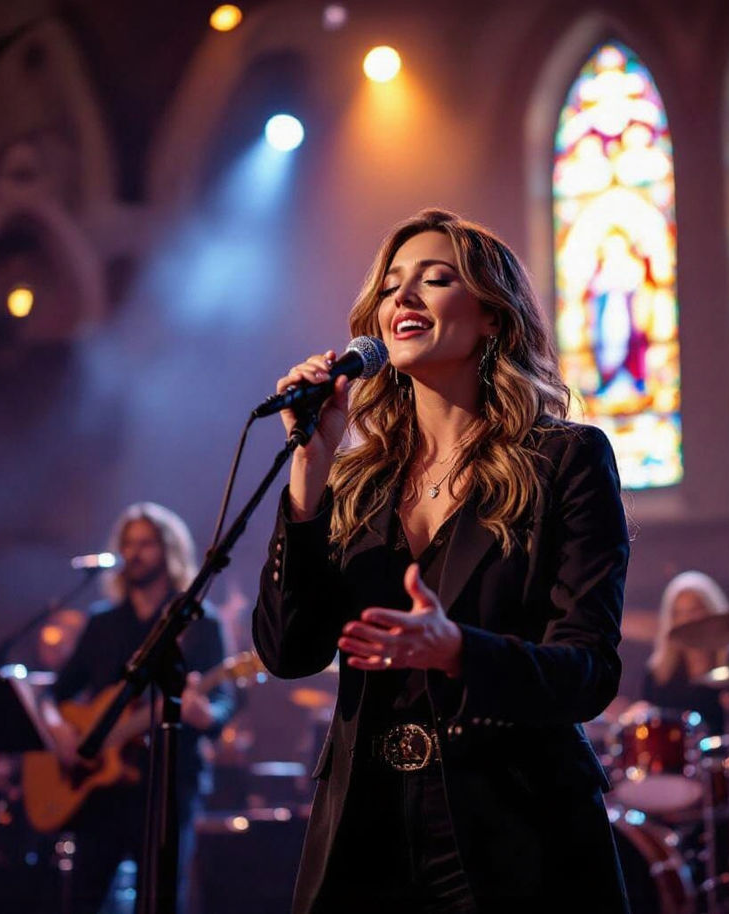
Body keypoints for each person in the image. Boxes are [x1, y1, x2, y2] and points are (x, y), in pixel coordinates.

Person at [253, 208, 632, 913]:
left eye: (435, 279)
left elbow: (589, 672)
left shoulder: (565, 460)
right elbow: (289, 651)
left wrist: (459, 651)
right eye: (393, 284)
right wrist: (309, 474)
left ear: (492, 316)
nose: (404, 297)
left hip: (514, 828)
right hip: (367, 827)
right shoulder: (356, 482)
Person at [43, 501, 237, 914]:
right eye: (128, 544)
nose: (134, 553)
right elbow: (53, 696)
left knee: (160, 899)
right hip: (98, 794)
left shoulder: (200, 622)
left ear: (168, 550)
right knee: (82, 900)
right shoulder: (101, 623)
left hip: (167, 785)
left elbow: (223, 701)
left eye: (146, 543)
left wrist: (205, 715)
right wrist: (59, 729)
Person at [635, 570, 729, 728]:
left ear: (712, 611)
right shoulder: (658, 674)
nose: (687, 620)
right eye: (679, 613)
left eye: (695, 610)